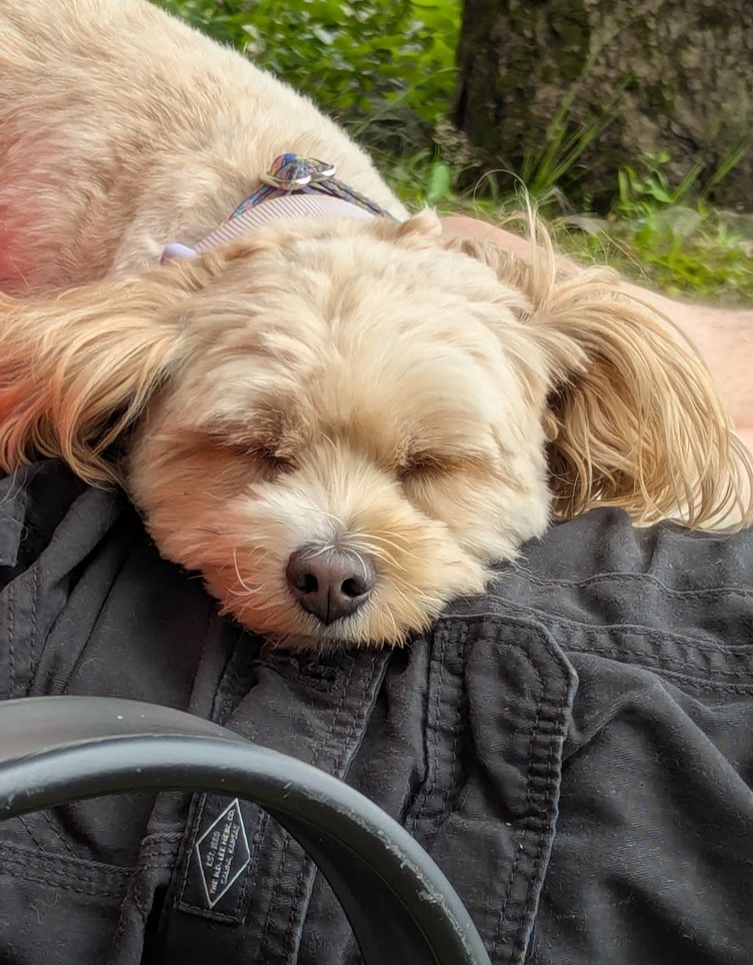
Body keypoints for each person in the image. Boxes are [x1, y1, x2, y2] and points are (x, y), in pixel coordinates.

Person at [0, 219, 751, 965]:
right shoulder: (122, 352)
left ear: (553, 431)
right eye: (259, 453)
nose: (332, 564)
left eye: (424, 465)